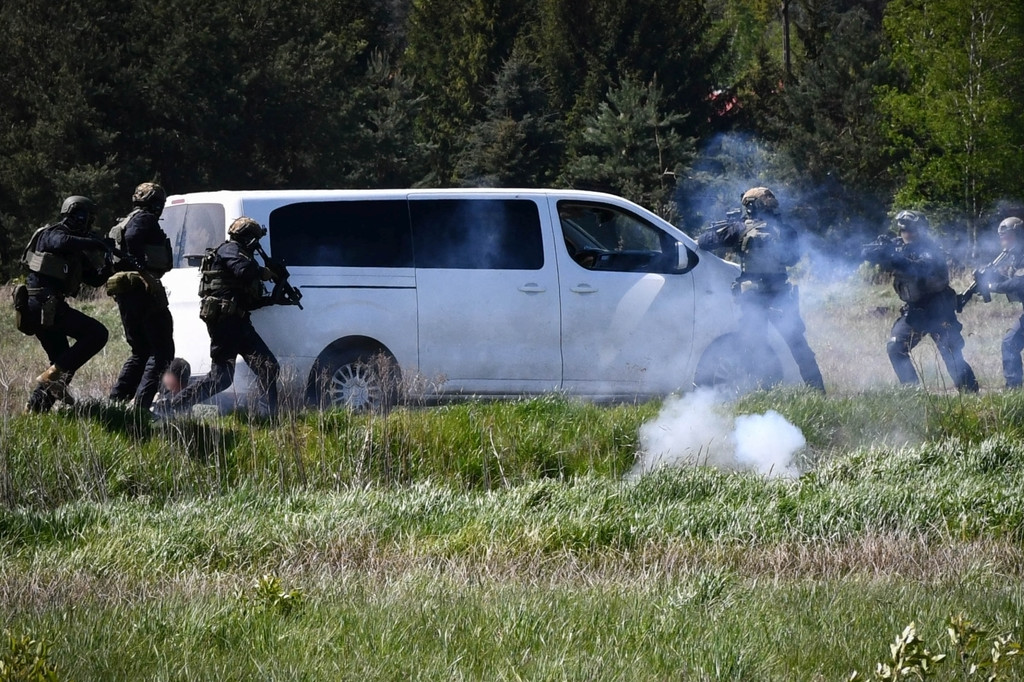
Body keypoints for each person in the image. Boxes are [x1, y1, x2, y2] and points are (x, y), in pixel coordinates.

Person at [696, 187, 826, 392]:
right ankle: (819, 393)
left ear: (749, 206)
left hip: (753, 296)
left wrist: (730, 229)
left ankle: (759, 392)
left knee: (754, 346)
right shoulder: (786, 230)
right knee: (799, 347)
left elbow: (703, 242)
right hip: (780, 295)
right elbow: (793, 259)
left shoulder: (738, 228)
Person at [163, 217, 280, 417]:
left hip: (239, 322)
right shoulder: (230, 250)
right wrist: (264, 273)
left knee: (268, 366)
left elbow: (244, 296)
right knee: (221, 378)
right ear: (247, 238)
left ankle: (270, 414)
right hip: (225, 323)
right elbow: (243, 271)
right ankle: (173, 406)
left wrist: (273, 298)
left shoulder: (240, 254)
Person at [862, 210, 979, 392]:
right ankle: (914, 393)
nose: (907, 234)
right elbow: (867, 253)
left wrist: (894, 258)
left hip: (939, 309)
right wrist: (879, 251)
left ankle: (970, 394)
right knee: (896, 347)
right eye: (903, 230)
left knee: (950, 353)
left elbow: (919, 269)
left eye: (912, 230)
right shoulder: (899, 246)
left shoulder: (931, 250)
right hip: (915, 311)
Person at [17, 196, 111, 412]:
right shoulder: (52, 233)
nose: (89, 224)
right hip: (41, 304)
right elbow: (60, 242)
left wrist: (109, 260)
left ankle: (35, 410)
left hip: (46, 307)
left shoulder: (74, 248)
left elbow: (95, 279)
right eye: (88, 219)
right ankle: (49, 380)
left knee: (62, 365)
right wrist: (95, 243)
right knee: (97, 334)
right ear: (78, 215)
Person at [106, 182, 175, 410]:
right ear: (155, 203)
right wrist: (144, 271)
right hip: (143, 291)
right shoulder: (144, 219)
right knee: (162, 350)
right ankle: (142, 407)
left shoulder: (126, 220)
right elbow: (135, 239)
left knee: (141, 351)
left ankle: (117, 402)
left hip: (128, 293)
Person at [968, 217, 1024, 388]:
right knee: (1010, 343)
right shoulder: (1015, 256)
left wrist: (992, 285)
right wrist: (986, 277)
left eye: (1008, 236)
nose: (1004, 240)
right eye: (1002, 237)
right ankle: (1014, 389)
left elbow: (1018, 283)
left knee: (1010, 342)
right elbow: (1011, 279)